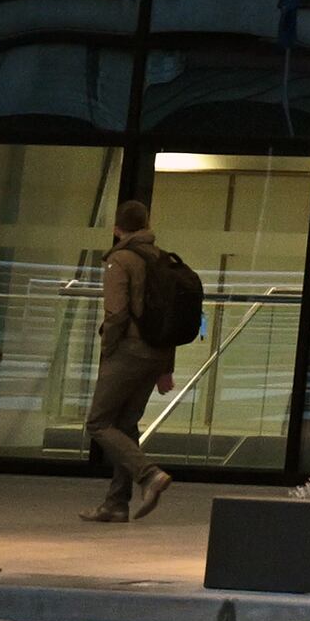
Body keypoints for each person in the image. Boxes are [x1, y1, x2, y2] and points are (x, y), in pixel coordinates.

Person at [84, 198, 175, 522]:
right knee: (124, 424)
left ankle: (148, 474)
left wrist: (108, 350)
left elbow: (117, 313)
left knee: (98, 422)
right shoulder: (162, 258)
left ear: (116, 228)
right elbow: (168, 317)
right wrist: (166, 366)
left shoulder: (121, 260)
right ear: (146, 224)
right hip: (156, 353)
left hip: (129, 351)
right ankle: (116, 503)